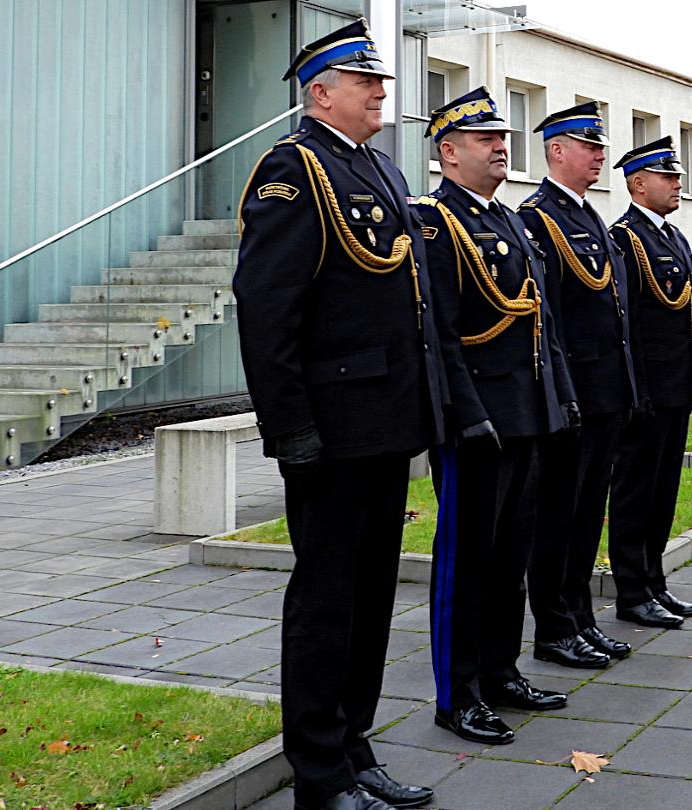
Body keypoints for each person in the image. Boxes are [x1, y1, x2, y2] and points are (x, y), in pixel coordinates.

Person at [232, 19, 443, 810]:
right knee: (325, 602)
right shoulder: (293, 171)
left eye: (379, 81)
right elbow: (266, 304)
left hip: (386, 422)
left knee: (371, 597)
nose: (381, 92)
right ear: (321, 92)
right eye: (365, 81)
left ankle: (355, 748)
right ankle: (318, 773)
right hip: (330, 428)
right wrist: (288, 427)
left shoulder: (380, 173)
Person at [412, 87, 580, 745]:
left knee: (511, 555)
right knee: (466, 560)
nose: (500, 147)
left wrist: (559, 397)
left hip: (525, 414)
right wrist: (464, 412)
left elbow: (541, 322)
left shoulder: (510, 220)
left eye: (502, 137)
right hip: (476, 419)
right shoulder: (433, 222)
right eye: (485, 139)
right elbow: (439, 332)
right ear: (449, 153)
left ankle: (501, 671)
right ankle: (457, 694)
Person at [519, 102, 639, 669]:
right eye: (588, 146)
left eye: (600, 146)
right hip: (572, 397)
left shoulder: (588, 215)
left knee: (589, 512)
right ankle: (553, 627)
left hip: (606, 394)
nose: (599, 155)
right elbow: (548, 320)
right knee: (557, 518)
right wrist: (561, 393)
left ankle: (580, 618)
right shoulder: (537, 218)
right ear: (556, 150)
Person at [605, 136, 692, 629]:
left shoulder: (672, 236)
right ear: (638, 183)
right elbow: (625, 323)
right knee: (635, 490)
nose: (677, 184)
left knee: (663, 489)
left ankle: (655, 582)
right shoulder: (624, 238)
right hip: (643, 391)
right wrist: (635, 388)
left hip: (674, 388)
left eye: (677, 176)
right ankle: (630, 589)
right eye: (668, 177)